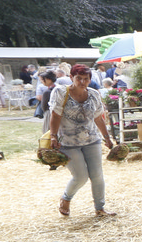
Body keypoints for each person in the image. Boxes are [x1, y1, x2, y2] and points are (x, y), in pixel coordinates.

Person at [49, 65, 119, 218]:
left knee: (97, 175)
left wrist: (107, 137)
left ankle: (100, 208)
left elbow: (98, 118)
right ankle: (66, 198)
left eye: (86, 79)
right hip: (68, 142)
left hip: (92, 139)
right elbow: (55, 115)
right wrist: (53, 136)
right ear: (71, 78)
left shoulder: (93, 94)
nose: (82, 82)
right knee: (80, 177)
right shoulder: (60, 92)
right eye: (78, 78)